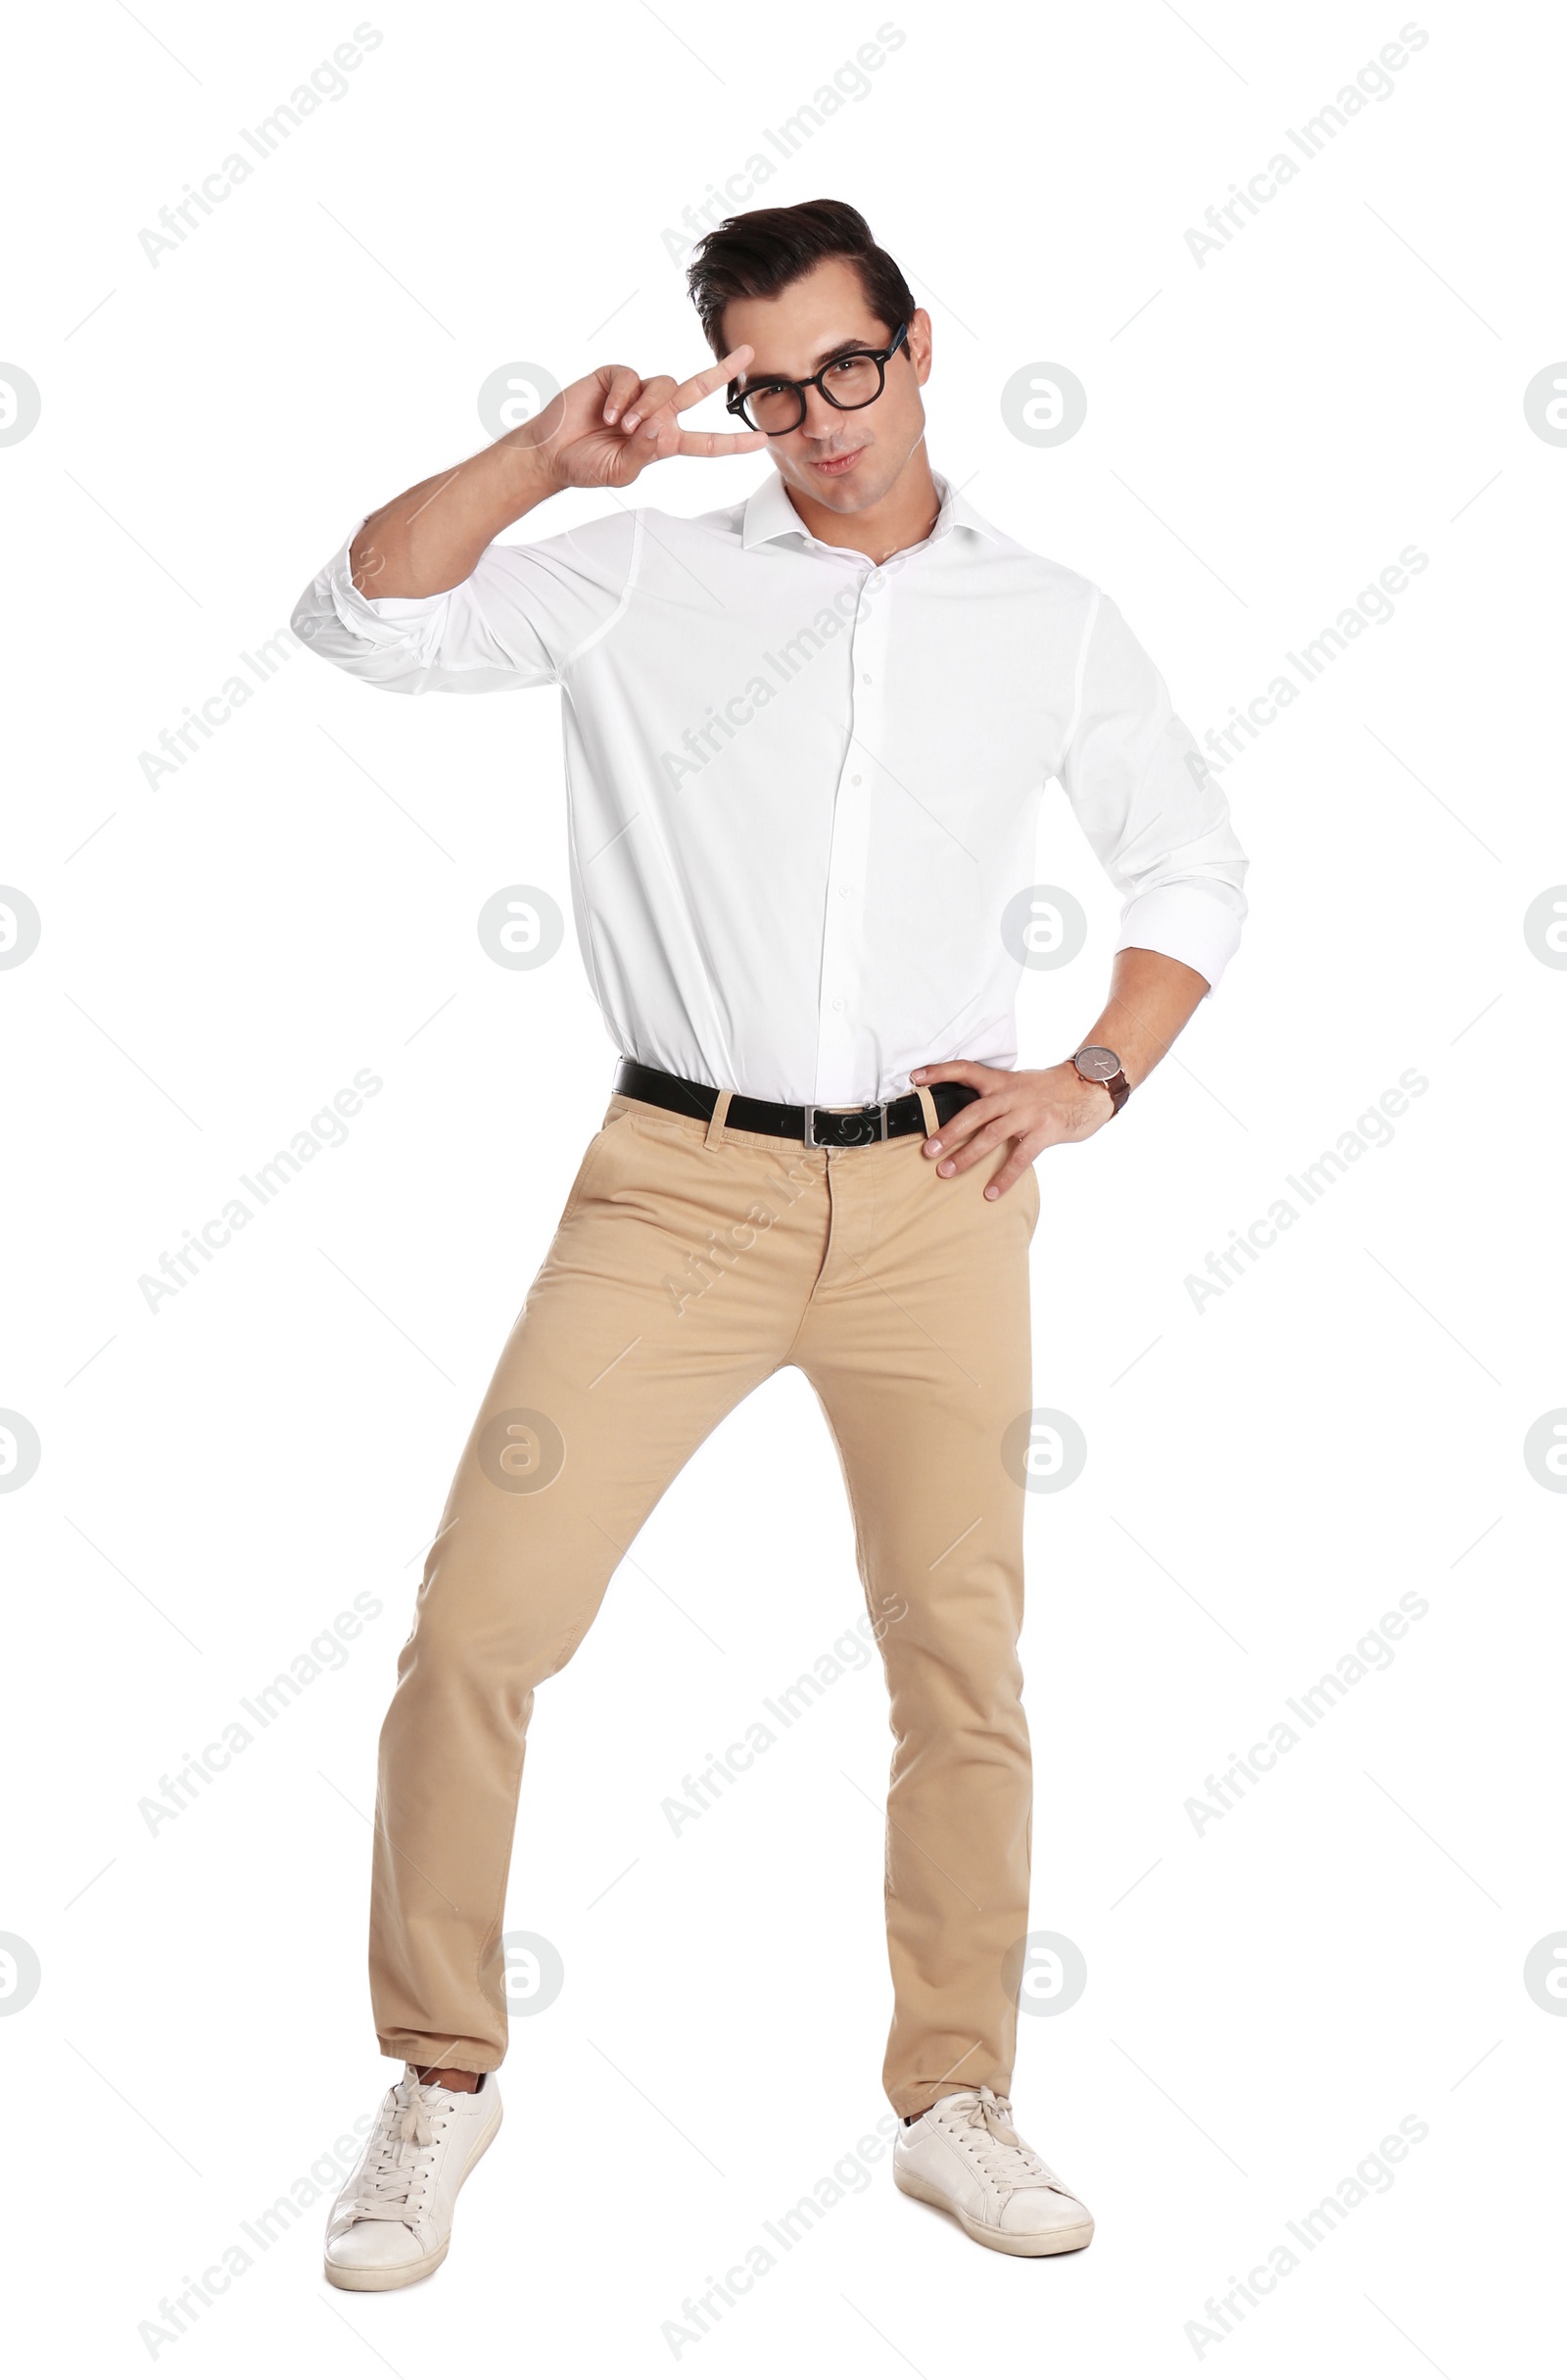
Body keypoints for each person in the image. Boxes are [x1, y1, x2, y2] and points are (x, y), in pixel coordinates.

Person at [292, 198, 1248, 2288]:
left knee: (956, 1661)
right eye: (764, 381)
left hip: (936, 1197)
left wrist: (1088, 1077)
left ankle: (951, 2099)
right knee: (478, 1626)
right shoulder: (639, 571)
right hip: (675, 1188)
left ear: (914, 345)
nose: (815, 419)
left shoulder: (1047, 614)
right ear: (722, 385)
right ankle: (437, 2076)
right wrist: (546, 460)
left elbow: (1191, 862)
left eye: (844, 364)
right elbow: (356, 621)